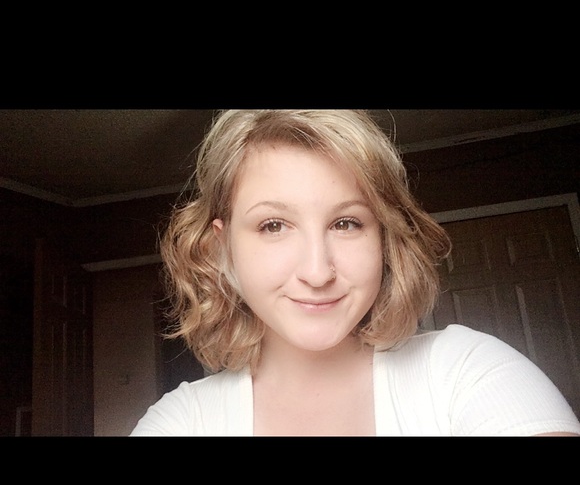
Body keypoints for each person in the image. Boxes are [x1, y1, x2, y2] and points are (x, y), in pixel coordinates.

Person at [130, 109, 580, 436]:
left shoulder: (466, 372)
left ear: (383, 236)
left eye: (346, 223)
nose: (317, 272)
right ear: (222, 247)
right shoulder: (183, 421)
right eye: (273, 225)